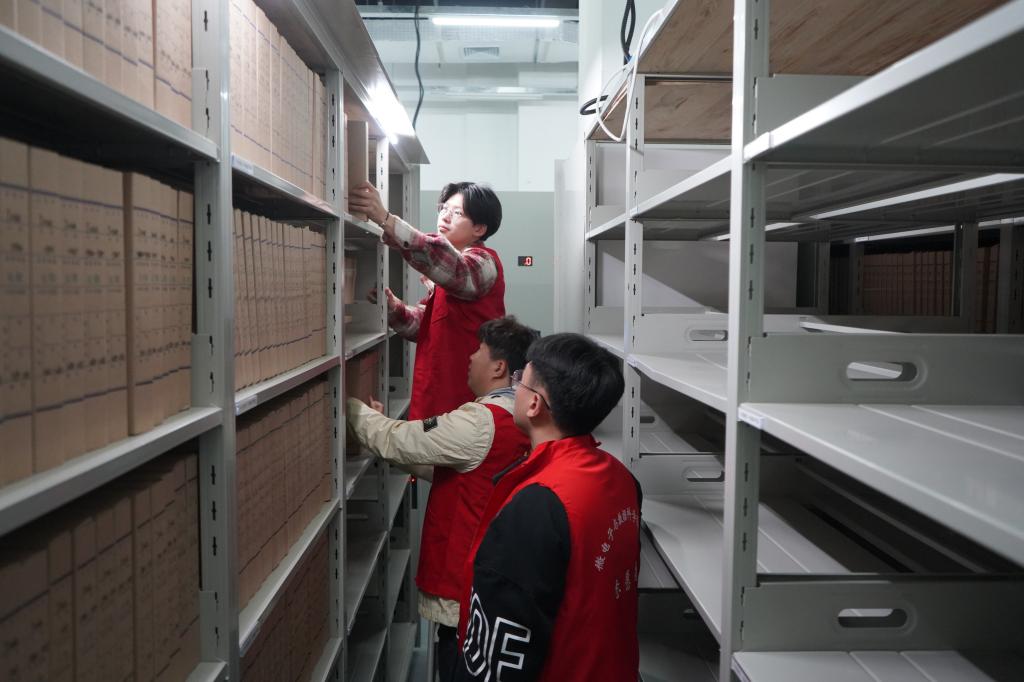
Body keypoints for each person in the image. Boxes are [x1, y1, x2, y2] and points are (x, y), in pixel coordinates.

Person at [346, 316, 538, 681]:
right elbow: (455, 471)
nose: (470, 357)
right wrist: (382, 433)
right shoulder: (518, 417)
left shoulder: (480, 422)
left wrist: (346, 406)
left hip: (464, 587)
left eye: (479, 350)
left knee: (457, 665)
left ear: (498, 367)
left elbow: (401, 440)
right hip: (491, 582)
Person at [454, 334, 642, 682]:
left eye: (519, 381)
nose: (514, 388)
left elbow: (502, 647)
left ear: (534, 405)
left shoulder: (539, 505)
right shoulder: (622, 479)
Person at [349, 180, 506, 422]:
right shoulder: (445, 278)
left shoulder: (483, 264)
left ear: (479, 228)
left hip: (464, 399)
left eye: (457, 213)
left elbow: (452, 266)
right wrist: (393, 309)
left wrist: (386, 219)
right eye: (444, 208)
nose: (445, 216)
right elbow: (423, 327)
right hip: (436, 393)